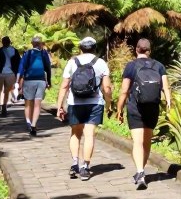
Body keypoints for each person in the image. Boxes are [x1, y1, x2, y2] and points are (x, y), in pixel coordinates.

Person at [116, 38, 171, 190]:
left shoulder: (131, 66)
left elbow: (124, 90)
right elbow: (166, 87)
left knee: (137, 142)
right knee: (146, 142)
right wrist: (169, 103)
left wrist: (119, 108)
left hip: (135, 108)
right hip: (152, 107)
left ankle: (140, 172)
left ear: (136, 50)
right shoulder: (159, 66)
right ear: (149, 51)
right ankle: (141, 171)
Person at [56, 36, 112, 181]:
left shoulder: (72, 62)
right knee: (89, 135)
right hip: (95, 103)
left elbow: (64, 85)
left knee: (75, 133)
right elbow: (106, 87)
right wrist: (108, 104)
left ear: (80, 48)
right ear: (95, 48)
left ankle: (75, 163)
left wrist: (59, 106)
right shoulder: (100, 63)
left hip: (75, 103)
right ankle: (85, 167)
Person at [17, 35, 52, 136]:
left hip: (29, 81)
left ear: (32, 44)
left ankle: (28, 122)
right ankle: (34, 124)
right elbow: (48, 68)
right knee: (37, 104)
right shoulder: (43, 53)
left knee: (28, 103)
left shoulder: (27, 53)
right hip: (41, 81)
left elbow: (21, 68)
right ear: (40, 44)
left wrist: (18, 81)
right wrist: (49, 81)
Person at [0, 36, 20, 116]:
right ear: (9, 42)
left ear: (3, 42)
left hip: (0, 73)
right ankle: (3, 105)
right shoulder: (14, 51)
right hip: (10, 74)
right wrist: (17, 73)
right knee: (6, 91)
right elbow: (18, 63)